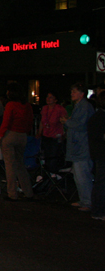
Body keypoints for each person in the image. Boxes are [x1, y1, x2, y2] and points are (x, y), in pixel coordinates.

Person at [0, 83, 34, 201]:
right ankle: (28, 192)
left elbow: (5, 122)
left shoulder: (10, 104)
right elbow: (30, 121)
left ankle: (12, 193)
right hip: (22, 136)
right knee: (20, 164)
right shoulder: (27, 106)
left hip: (10, 135)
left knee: (10, 165)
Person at [61, 82, 95, 211]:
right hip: (79, 146)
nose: (72, 94)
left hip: (82, 146)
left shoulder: (84, 107)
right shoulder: (80, 106)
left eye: (75, 92)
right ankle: (84, 200)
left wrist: (67, 121)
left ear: (81, 94)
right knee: (79, 175)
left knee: (83, 175)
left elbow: (80, 125)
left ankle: (87, 202)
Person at [37, 91, 67, 173]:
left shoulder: (60, 109)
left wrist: (64, 134)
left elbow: (65, 122)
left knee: (53, 157)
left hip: (55, 136)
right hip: (46, 135)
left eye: (51, 97)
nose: (48, 99)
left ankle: (53, 173)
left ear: (55, 100)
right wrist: (39, 132)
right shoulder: (44, 108)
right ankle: (47, 174)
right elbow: (42, 122)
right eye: (47, 97)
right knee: (45, 156)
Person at [87, 91, 105, 220]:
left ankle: (98, 210)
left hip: (98, 154)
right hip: (101, 154)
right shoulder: (100, 117)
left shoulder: (97, 116)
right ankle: (98, 211)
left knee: (100, 182)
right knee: (101, 182)